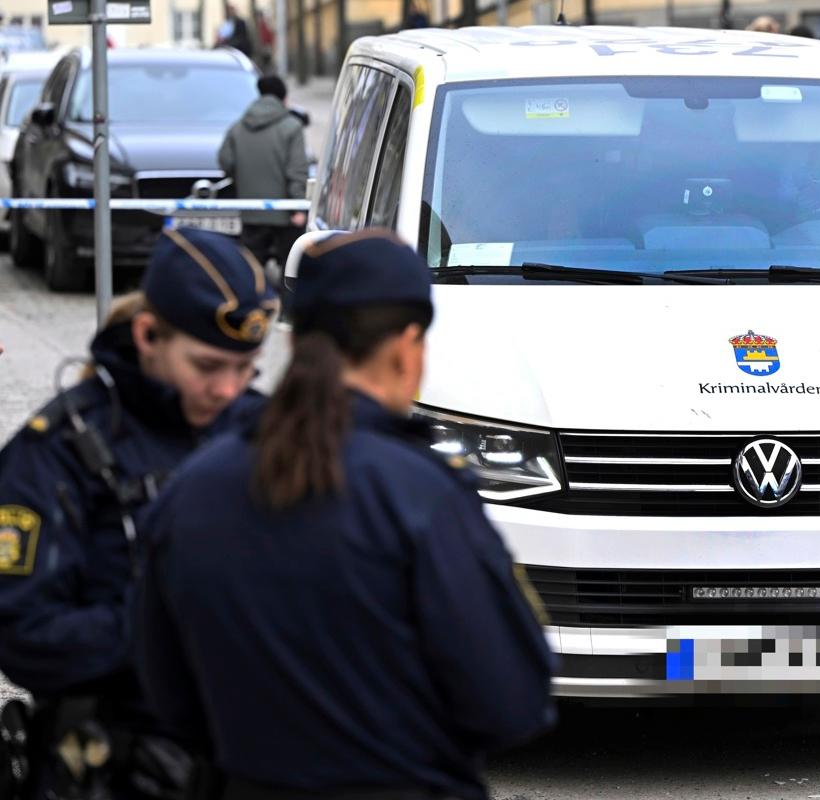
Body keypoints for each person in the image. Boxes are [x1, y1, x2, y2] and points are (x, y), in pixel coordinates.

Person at [134, 230, 556, 800]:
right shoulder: (422, 496)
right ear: (408, 347)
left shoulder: (191, 491)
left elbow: (165, 694)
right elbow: (511, 702)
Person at [0, 229, 276, 800]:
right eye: (207, 365)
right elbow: (21, 635)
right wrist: (168, 625)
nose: (228, 389)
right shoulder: (55, 453)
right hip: (121, 768)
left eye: (246, 367)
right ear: (149, 335)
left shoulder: (263, 429)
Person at [219, 75, 308, 269]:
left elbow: (225, 161)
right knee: (290, 270)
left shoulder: (238, 127)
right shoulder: (292, 127)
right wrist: (298, 206)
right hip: (286, 215)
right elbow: (297, 170)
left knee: (251, 269)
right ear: (283, 98)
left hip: (251, 212)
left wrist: (242, 180)